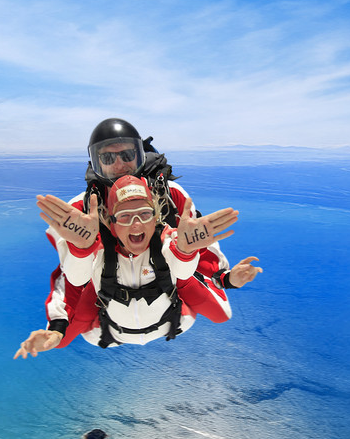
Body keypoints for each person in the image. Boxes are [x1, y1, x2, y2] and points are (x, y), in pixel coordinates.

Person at [43, 118, 262, 334]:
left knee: (218, 310)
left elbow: (198, 239)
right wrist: (58, 324)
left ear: (139, 156)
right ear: (96, 163)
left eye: (127, 155)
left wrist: (225, 277)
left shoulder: (170, 195)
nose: (119, 165)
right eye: (108, 157)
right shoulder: (79, 210)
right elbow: (68, 274)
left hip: (165, 283)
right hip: (106, 289)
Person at [15, 176, 241, 356]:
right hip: (109, 332)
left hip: (169, 322)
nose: (136, 224)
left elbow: (183, 271)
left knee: (221, 312)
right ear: (109, 222)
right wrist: (81, 249)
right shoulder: (100, 251)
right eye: (124, 216)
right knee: (60, 340)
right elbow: (73, 280)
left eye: (144, 214)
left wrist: (187, 252)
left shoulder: (168, 240)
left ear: (156, 217)